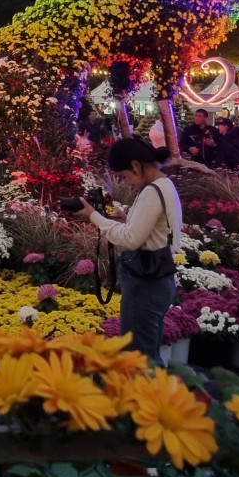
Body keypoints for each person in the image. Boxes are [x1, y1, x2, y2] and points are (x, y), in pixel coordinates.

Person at [62, 137, 182, 364]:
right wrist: (126, 218)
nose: (126, 183)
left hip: (145, 281)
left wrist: (93, 217)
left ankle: (145, 396)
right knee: (147, 353)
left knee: (138, 359)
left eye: (125, 176)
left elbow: (130, 239)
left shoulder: (151, 191)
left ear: (136, 165)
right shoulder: (164, 185)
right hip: (157, 278)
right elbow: (152, 230)